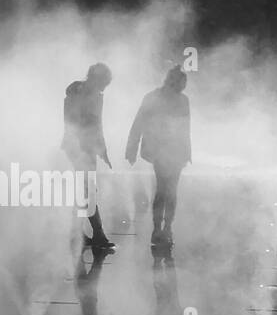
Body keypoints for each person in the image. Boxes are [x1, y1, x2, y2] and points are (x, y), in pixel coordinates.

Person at [126, 65, 191, 247]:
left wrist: (187, 151)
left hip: (176, 151)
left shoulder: (183, 100)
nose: (182, 87)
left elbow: (186, 127)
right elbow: (138, 122)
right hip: (159, 149)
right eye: (180, 83)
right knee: (164, 189)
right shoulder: (153, 98)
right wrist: (132, 147)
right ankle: (158, 228)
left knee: (171, 191)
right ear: (172, 81)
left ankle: (167, 227)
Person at [63, 63, 115, 252]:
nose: (104, 87)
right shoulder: (76, 93)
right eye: (104, 83)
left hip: (85, 148)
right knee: (88, 191)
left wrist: (103, 151)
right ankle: (97, 234)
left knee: (84, 191)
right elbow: (72, 121)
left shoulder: (89, 95)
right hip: (79, 148)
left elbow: (96, 125)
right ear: (96, 78)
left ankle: (78, 233)